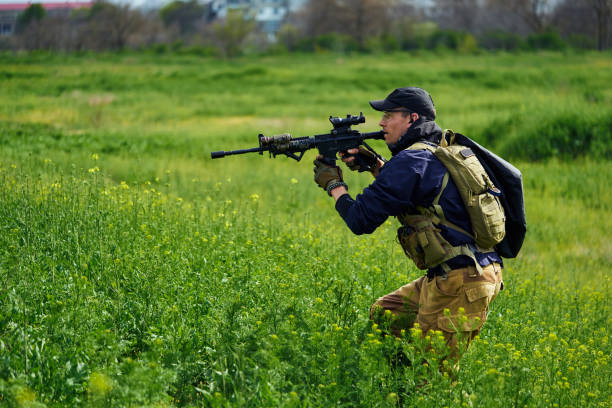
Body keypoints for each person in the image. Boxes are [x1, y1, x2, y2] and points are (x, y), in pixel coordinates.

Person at [313, 87, 504, 361]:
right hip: (471, 270)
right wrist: (374, 165)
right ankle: (394, 379)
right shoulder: (438, 149)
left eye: (389, 115)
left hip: (461, 280)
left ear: (412, 118)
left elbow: (360, 220)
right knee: (386, 314)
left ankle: (411, 388)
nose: (381, 123)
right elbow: (415, 190)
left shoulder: (410, 160)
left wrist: (334, 184)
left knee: (431, 378)